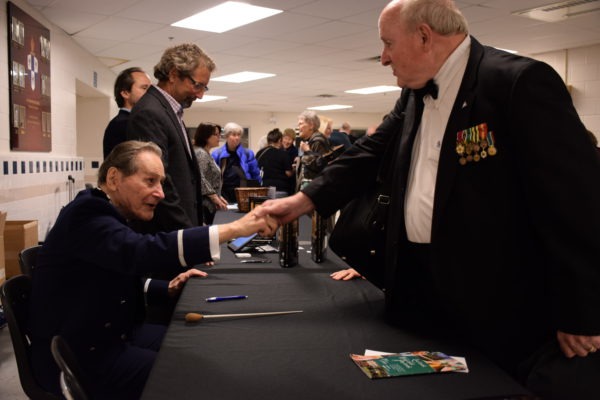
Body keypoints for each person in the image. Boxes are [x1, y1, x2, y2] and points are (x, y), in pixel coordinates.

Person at [257, 1, 600, 398]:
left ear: (424, 36)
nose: (383, 57)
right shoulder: (414, 94)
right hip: (421, 286)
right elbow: (368, 153)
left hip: (498, 296)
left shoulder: (517, 81)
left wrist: (581, 311)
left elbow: (576, 199)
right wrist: (304, 201)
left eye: (388, 44)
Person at [29, 141, 276, 399]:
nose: (160, 193)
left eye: (160, 183)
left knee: (200, 343)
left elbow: (112, 272)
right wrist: (235, 229)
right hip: (82, 356)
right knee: (197, 373)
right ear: (114, 178)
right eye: (150, 181)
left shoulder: (102, 212)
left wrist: (164, 287)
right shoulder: (87, 214)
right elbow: (140, 252)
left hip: (108, 335)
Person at [127, 43, 215, 233]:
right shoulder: (150, 112)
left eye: (204, 88)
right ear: (174, 75)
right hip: (165, 235)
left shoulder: (170, 112)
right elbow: (160, 184)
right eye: (197, 85)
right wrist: (189, 236)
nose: (200, 95)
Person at [103, 67, 151, 158]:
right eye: (144, 88)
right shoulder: (122, 124)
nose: (150, 94)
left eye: (150, 89)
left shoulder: (136, 121)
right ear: (125, 93)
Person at [211, 122, 261, 203]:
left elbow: (255, 174)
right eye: (234, 135)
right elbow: (212, 177)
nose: (237, 137)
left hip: (243, 192)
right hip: (223, 193)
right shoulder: (217, 154)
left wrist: (257, 193)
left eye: (239, 135)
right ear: (227, 136)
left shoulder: (248, 153)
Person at [193, 122, 228, 225]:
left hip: (208, 203)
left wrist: (218, 195)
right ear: (206, 136)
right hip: (204, 205)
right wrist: (214, 196)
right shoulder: (201, 154)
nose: (219, 137)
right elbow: (200, 177)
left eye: (219, 134)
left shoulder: (205, 153)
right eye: (216, 135)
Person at [256, 128, 293, 195]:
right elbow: (288, 173)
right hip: (279, 189)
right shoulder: (283, 153)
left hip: (263, 189)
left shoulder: (259, 153)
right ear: (279, 140)